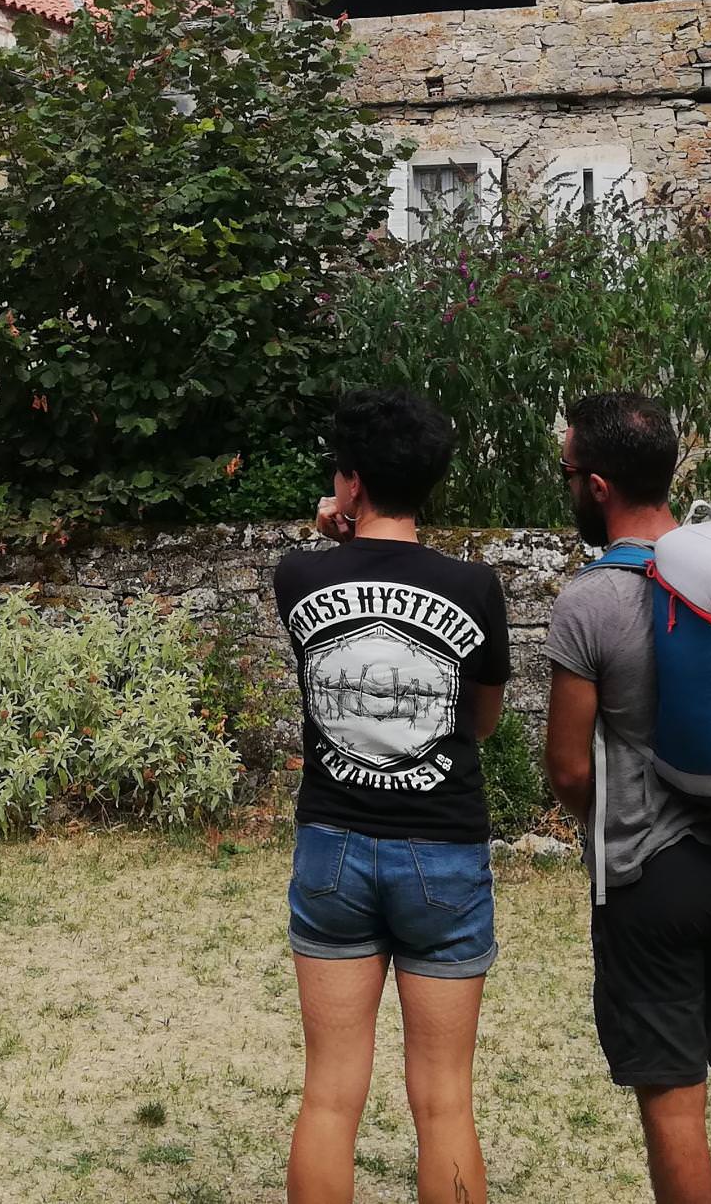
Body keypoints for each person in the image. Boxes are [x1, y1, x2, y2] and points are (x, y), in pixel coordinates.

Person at [544, 391, 711, 1204]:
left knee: (673, 1100)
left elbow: (568, 768)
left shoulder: (589, 601)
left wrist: (602, 821)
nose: (568, 485)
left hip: (647, 875)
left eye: (568, 473)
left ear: (598, 486)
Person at [274, 388, 511, 1204]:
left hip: (332, 846)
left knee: (329, 1095)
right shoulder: (475, 587)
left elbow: (333, 567)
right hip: (443, 849)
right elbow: (481, 720)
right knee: (444, 1100)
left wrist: (333, 527)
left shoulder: (299, 575)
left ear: (351, 481)